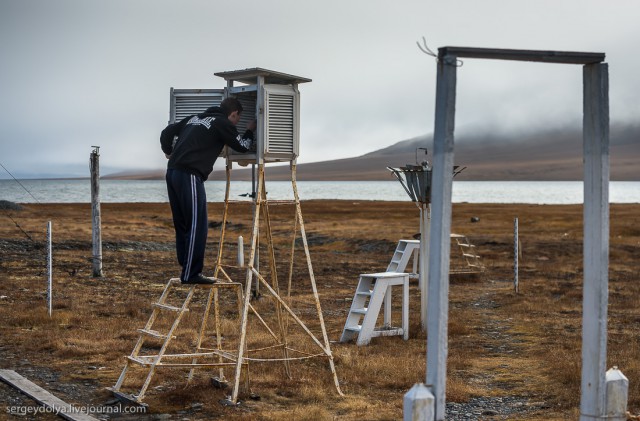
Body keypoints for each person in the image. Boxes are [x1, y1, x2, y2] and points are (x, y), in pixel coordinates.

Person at [160, 97, 256, 284]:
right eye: (237, 118)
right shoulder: (223, 123)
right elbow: (243, 146)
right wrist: (250, 131)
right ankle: (191, 274)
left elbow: (167, 132)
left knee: (183, 223)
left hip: (172, 172)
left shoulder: (195, 117)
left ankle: (186, 265)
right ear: (233, 113)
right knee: (198, 225)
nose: (237, 122)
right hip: (189, 174)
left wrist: (168, 150)